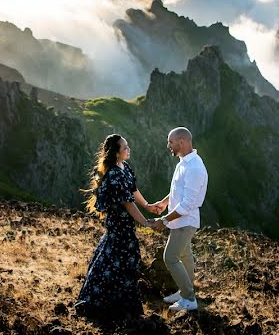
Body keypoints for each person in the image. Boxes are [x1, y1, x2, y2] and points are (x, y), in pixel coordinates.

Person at [75, 134, 159, 318]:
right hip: (118, 225)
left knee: (117, 260)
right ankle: (97, 302)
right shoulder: (113, 174)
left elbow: (133, 190)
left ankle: (120, 304)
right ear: (116, 153)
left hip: (126, 225)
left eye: (127, 146)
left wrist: (147, 206)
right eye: (124, 148)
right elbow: (127, 202)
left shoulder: (125, 167)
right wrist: (145, 222)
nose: (128, 150)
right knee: (113, 261)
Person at [148, 127, 208, 312]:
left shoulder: (195, 167)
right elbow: (177, 191)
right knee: (185, 256)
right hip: (180, 221)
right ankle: (185, 291)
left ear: (182, 142)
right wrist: (164, 202)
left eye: (171, 142)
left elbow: (187, 205)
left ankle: (189, 299)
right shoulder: (183, 163)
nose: (168, 145)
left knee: (170, 257)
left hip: (186, 221)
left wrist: (163, 220)